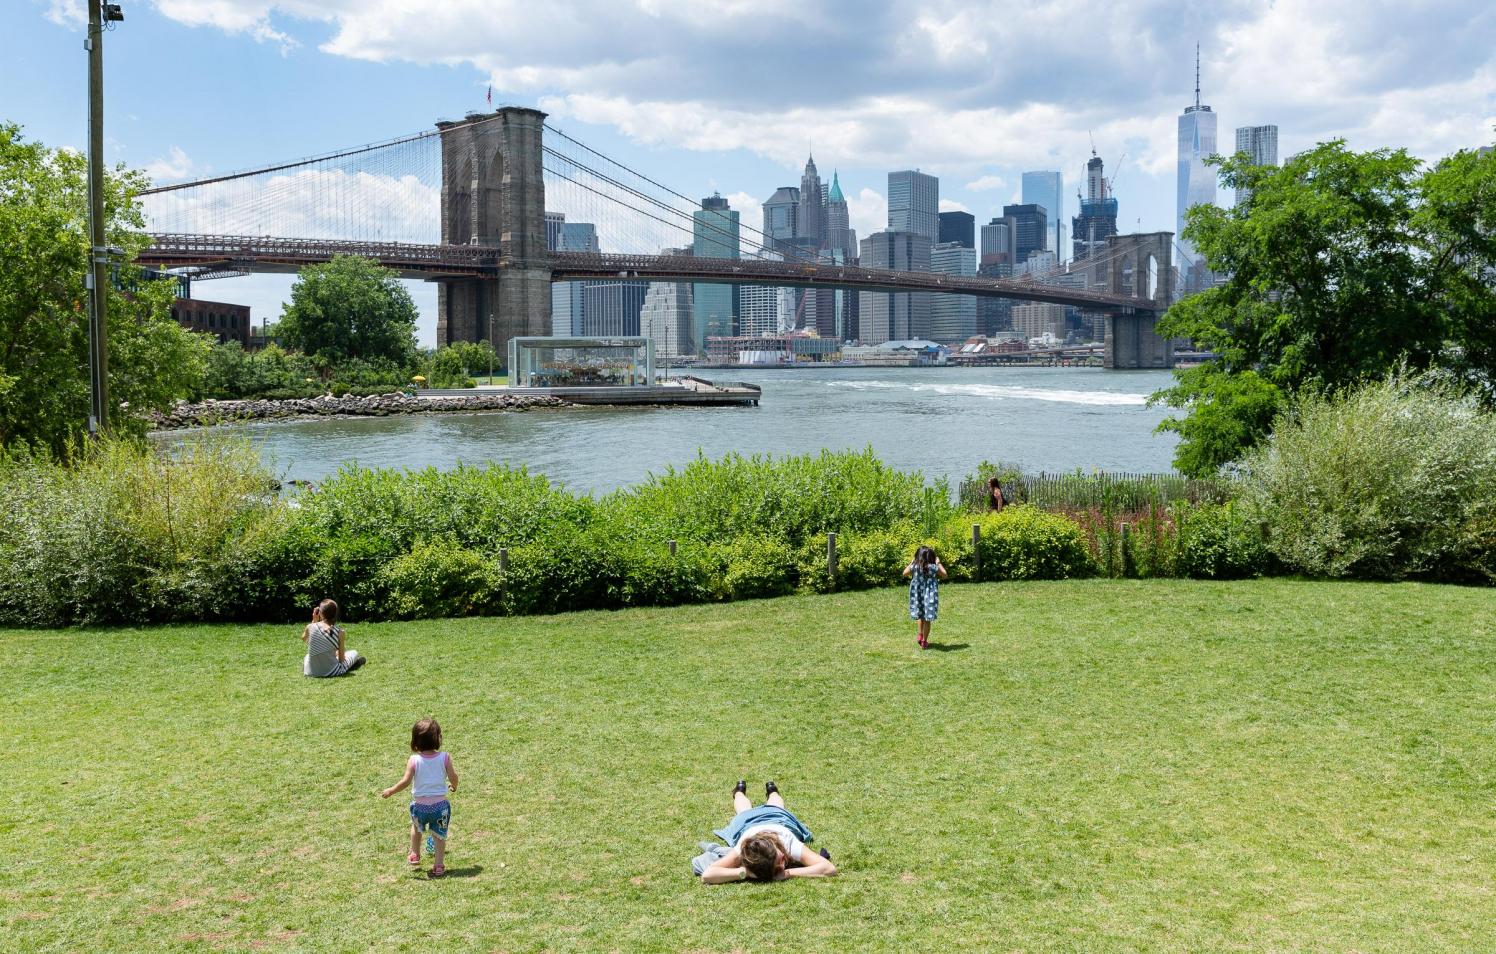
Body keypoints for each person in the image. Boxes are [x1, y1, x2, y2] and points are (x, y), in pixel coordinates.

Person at [698, 780, 837, 884]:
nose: (783, 864)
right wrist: (744, 872)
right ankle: (739, 792)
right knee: (743, 812)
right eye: (781, 863)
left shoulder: (788, 842)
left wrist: (788, 873)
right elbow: (707, 875)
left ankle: (772, 791)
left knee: (775, 806)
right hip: (745, 824)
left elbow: (829, 868)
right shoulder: (745, 851)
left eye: (781, 859)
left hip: (778, 819)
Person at [381, 718, 459, 878]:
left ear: (415, 741)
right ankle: (438, 866)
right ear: (438, 739)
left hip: (420, 807)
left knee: (416, 829)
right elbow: (453, 777)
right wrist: (454, 786)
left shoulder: (414, 760)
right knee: (439, 835)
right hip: (441, 807)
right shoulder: (445, 757)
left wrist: (391, 790)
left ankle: (415, 853)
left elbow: (405, 782)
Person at [301, 599, 365, 677]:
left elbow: (304, 638)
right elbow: (341, 660)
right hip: (331, 672)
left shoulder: (310, 627)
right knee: (354, 652)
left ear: (320, 613)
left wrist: (314, 620)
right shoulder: (340, 632)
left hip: (310, 672)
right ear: (335, 614)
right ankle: (353, 665)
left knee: (307, 656)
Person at [903, 545, 947, 649]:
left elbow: (904, 573)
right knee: (927, 619)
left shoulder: (915, 566)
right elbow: (945, 575)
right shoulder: (933, 567)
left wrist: (912, 562)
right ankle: (924, 641)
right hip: (930, 595)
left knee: (920, 615)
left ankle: (920, 634)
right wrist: (938, 563)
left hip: (917, 595)